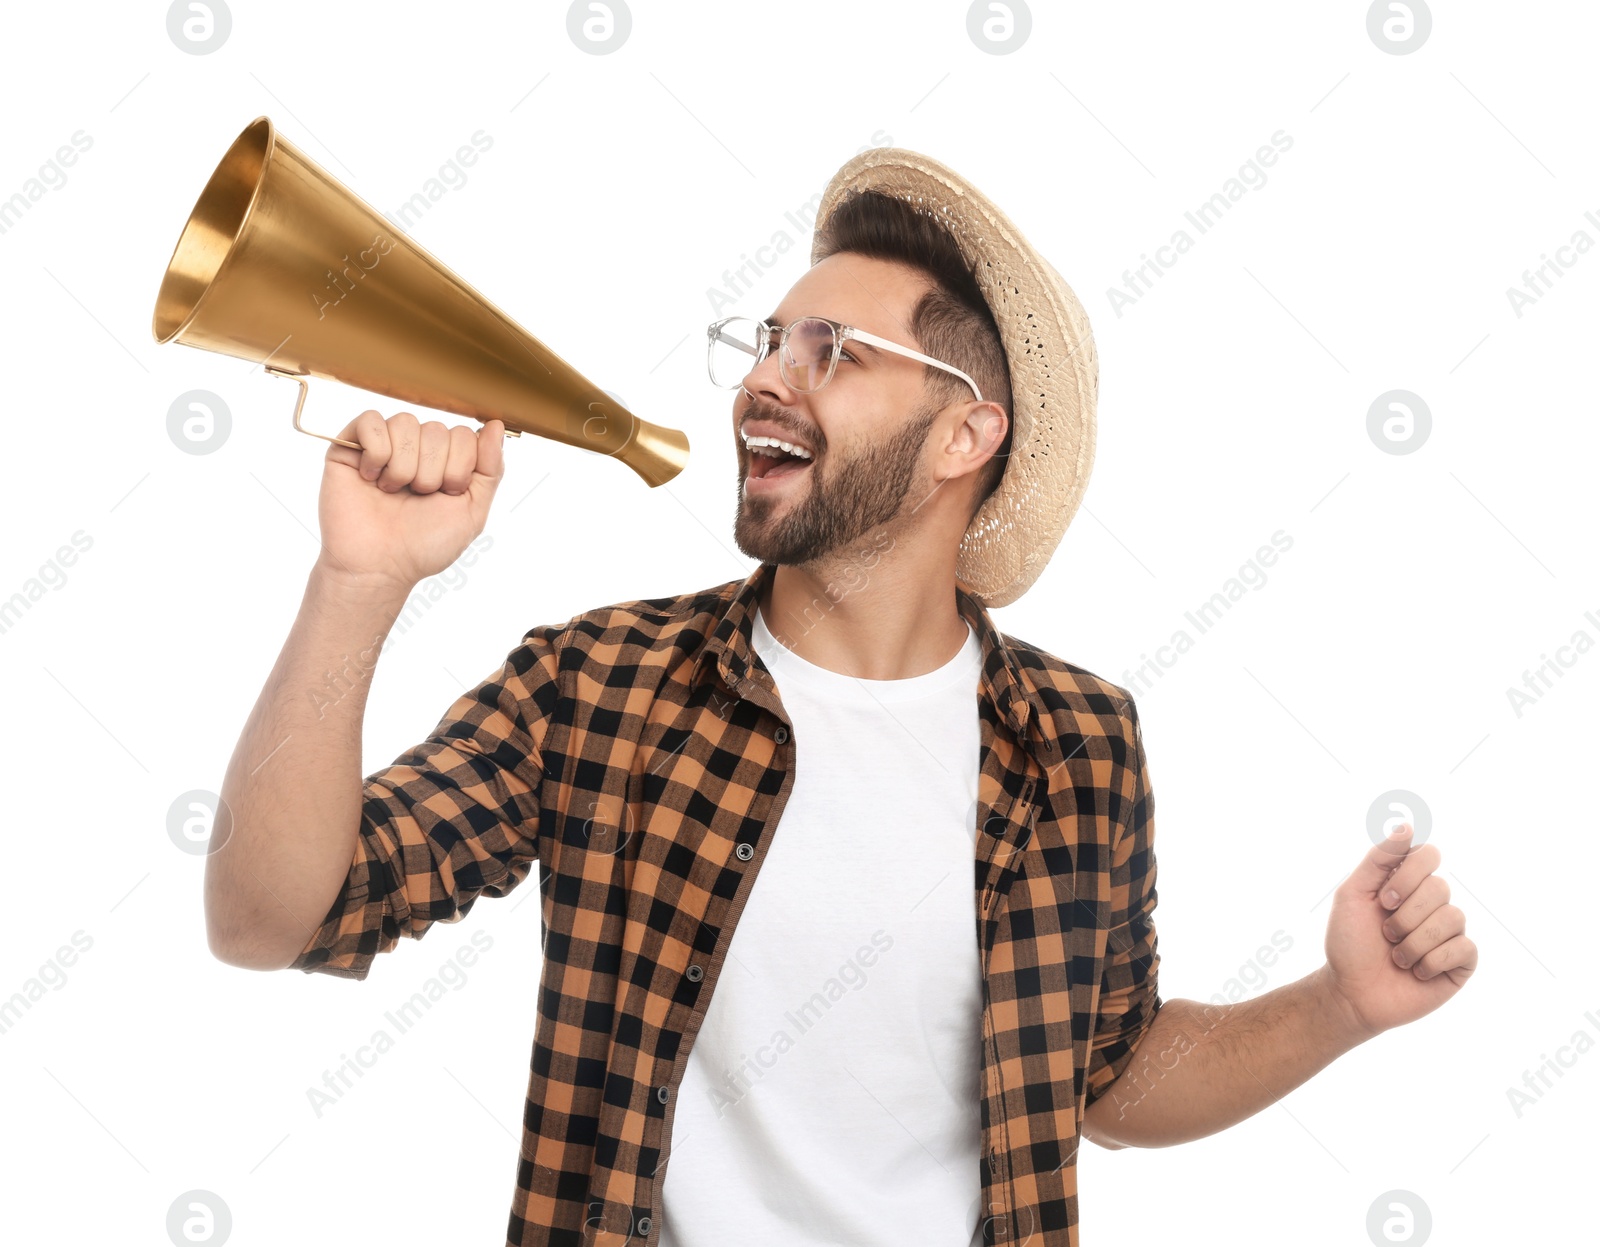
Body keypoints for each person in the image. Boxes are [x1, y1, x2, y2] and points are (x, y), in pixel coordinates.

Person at [205, 149, 1477, 1247]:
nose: (766, 377)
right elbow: (273, 916)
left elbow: (1107, 1076)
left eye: (834, 352)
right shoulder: (598, 685)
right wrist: (358, 581)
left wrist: (1338, 1002)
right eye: (767, 340)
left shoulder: (1082, 742)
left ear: (966, 436)